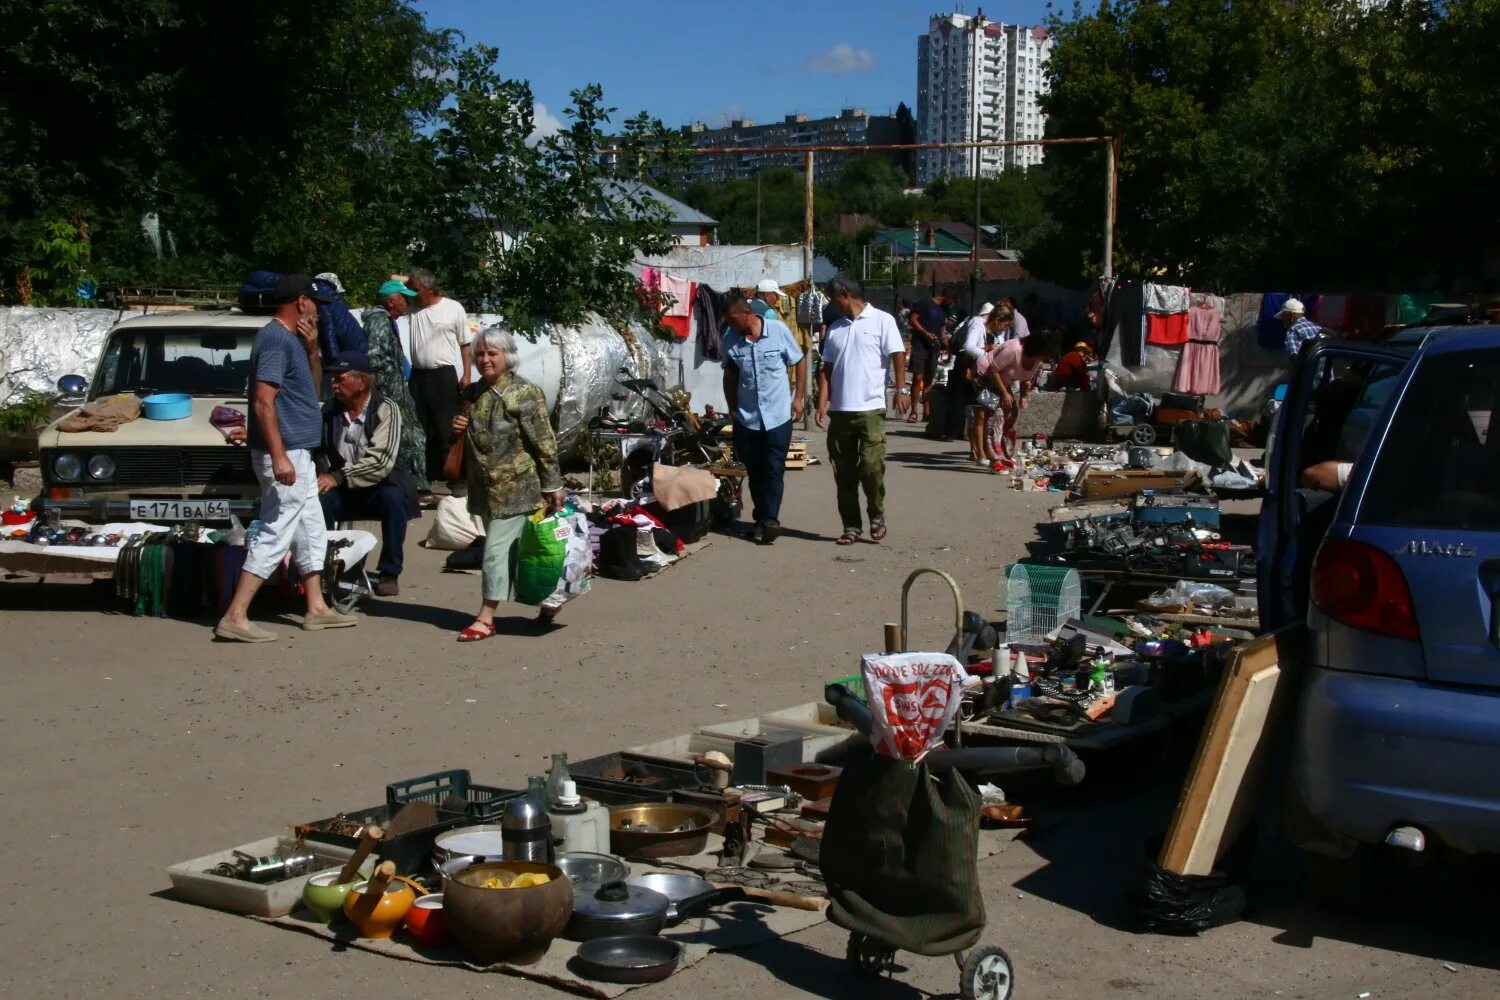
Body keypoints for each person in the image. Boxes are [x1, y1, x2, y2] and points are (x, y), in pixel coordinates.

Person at [215, 275, 358, 642]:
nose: (320, 312)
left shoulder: (293, 340)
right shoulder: (276, 340)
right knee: (277, 529)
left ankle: (317, 607)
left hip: (300, 453)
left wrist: (312, 350)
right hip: (286, 454)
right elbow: (264, 400)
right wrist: (279, 456)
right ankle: (236, 614)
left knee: (310, 528)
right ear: (300, 302)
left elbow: (310, 390)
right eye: (316, 305)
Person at [452, 326, 565, 641]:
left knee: (495, 551)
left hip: (518, 486)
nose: (485, 359)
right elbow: (471, 439)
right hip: (484, 488)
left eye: (492, 353)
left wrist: (553, 484)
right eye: (479, 354)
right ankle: (550, 600)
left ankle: (486, 618)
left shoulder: (524, 393)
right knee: (519, 552)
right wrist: (459, 425)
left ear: (508, 357)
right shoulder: (472, 393)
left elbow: (544, 441)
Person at [315, 352, 420, 597]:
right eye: (332, 379)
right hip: (343, 488)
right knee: (319, 500)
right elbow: (315, 446)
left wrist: (337, 477)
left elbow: (380, 462)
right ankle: (326, 567)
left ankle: (389, 572)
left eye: (339, 379)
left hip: (378, 484)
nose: (333, 384)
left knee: (394, 500)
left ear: (361, 382)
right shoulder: (330, 410)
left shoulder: (386, 409)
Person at [816, 275, 908, 545]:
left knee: (871, 466)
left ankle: (876, 514)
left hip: (870, 410)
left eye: (833, 299)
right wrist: (822, 404)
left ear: (845, 294)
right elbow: (827, 370)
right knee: (843, 473)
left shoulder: (882, 320)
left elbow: (898, 354)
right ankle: (851, 527)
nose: (831, 305)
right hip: (841, 412)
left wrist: (901, 390)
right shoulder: (835, 328)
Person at [721, 293, 805, 544]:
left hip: (778, 416)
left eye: (732, 319)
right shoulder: (731, 340)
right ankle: (761, 517)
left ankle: (770, 520)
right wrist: (732, 408)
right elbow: (730, 374)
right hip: (748, 418)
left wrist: (798, 398)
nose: (730, 325)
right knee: (755, 471)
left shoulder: (778, 331)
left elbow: (799, 362)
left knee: (773, 468)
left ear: (745, 312)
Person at [406, 267, 472, 493]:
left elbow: (465, 343)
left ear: (430, 288)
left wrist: (467, 374)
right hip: (418, 376)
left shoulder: (453, 308)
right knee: (418, 428)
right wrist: (411, 283)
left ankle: (457, 479)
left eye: (416, 290)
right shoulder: (413, 306)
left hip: (443, 375)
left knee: (448, 428)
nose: (412, 294)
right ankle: (423, 480)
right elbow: (394, 282)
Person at [360, 279, 429, 495]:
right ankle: (416, 488)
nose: (408, 302)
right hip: (391, 393)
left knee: (409, 436)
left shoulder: (387, 320)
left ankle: (412, 486)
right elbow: (374, 358)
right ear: (391, 301)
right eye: (404, 298)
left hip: (396, 391)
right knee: (411, 437)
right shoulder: (379, 321)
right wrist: (388, 389)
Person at [977, 332, 1057, 473]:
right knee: (996, 417)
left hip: (1003, 381)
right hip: (985, 378)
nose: (1047, 357)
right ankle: (994, 459)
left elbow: (1026, 379)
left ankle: (1005, 454)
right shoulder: (1014, 349)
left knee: (1012, 414)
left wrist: (1024, 397)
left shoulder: (1037, 361)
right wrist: (1004, 393)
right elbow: (993, 370)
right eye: (1046, 353)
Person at [905, 287, 952, 423]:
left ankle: (927, 412)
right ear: (946, 296)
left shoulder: (944, 312)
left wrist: (949, 345)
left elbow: (942, 332)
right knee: (917, 377)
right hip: (920, 344)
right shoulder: (925, 303)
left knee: (929, 380)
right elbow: (912, 320)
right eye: (952, 300)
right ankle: (913, 412)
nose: (952, 303)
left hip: (934, 347)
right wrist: (925, 333)